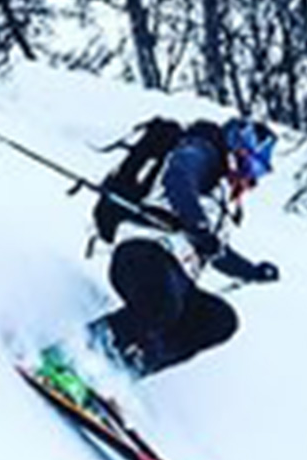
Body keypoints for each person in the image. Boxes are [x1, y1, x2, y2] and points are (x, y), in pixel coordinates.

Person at [86, 116, 282, 378]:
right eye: (251, 167)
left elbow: (216, 252)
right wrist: (199, 229)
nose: (251, 180)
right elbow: (178, 179)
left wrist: (252, 271)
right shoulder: (203, 152)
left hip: (177, 274)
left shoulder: (222, 199)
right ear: (236, 153)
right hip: (146, 252)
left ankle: (124, 373)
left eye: (259, 173)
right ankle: (80, 351)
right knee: (162, 304)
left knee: (218, 320)